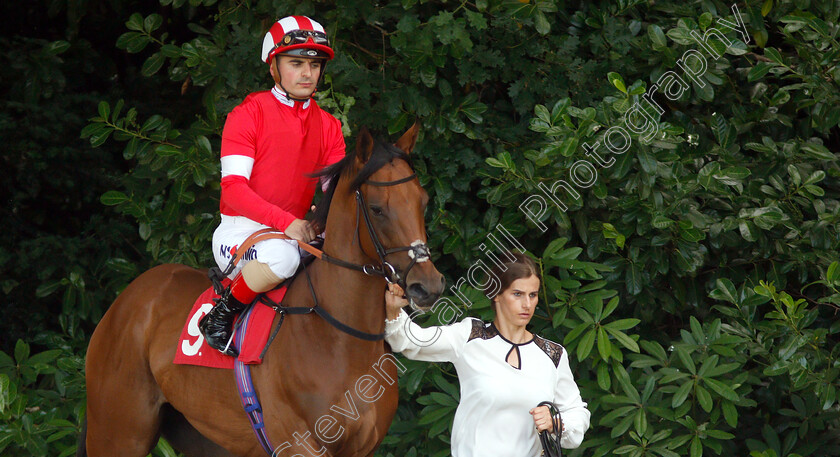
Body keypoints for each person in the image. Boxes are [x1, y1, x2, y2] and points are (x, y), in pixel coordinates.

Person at [199, 15, 346, 355]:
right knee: (282, 258)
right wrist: (288, 223)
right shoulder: (246, 115)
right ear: (274, 68)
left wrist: (323, 223)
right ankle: (220, 316)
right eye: (296, 63)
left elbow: (332, 192)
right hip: (242, 232)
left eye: (315, 64)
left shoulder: (329, 126)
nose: (307, 74)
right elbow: (233, 190)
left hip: (297, 231)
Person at [384, 252, 590, 456]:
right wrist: (394, 310)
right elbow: (412, 341)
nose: (527, 304)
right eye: (517, 294)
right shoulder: (469, 336)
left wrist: (556, 422)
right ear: (496, 294)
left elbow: (577, 413)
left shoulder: (552, 355)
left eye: (533, 295)